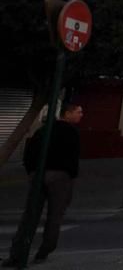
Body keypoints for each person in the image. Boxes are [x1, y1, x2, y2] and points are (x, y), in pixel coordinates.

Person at [2, 103, 83, 267]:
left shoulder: (43, 129)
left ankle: (17, 252)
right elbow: (74, 156)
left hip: (39, 175)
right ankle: (44, 250)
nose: (81, 115)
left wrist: (32, 172)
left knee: (30, 214)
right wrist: (71, 176)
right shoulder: (71, 132)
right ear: (67, 113)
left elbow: (30, 151)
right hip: (61, 176)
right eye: (79, 112)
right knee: (55, 215)